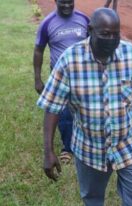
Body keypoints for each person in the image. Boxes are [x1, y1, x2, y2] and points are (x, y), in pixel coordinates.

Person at [37, 8, 132, 206]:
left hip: (129, 142)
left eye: (116, 34)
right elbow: (52, 107)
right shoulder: (70, 60)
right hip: (90, 146)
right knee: (92, 198)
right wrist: (48, 150)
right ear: (90, 31)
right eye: (104, 34)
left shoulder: (130, 54)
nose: (111, 40)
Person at [33, 0, 89, 163]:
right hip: (59, 77)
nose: (67, 6)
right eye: (63, 3)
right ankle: (68, 148)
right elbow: (38, 50)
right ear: (56, 1)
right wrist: (37, 79)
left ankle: (84, 142)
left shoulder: (84, 19)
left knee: (83, 109)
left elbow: (94, 42)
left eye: (70, 2)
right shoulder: (47, 23)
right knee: (63, 114)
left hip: (83, 75)